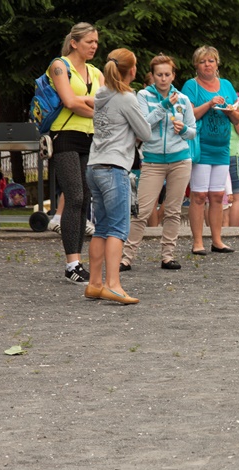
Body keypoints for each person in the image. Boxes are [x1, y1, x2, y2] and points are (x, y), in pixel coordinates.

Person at [83, 48, 151, 304]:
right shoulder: (126, 98)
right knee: (118, 229)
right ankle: (113, 284)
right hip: (114, 168)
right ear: (132, 70)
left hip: (95, 165)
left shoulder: (101, 94)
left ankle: (95, 284)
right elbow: (145, 132)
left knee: (101, 227)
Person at [120, 54, 195, 272]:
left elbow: (193, 131)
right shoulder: (143, 95)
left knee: (173, 210)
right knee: (142, 211)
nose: (163, 79)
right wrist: (163, 106)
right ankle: (126, 258)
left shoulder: (183, 99)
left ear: (173, 75)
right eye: (159, 75)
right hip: (153, 160)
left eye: (167, 74)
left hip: (180, 159)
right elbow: (143, 125)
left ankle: (168, 256)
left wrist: (184, 130)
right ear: (152, 76)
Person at [48, 22, 103, 284]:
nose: (94, 46)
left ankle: (77, 262)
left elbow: (104, 102)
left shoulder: (96, 71)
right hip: (65, 135)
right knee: (75, 196)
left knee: (86, 198)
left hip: (90, 138)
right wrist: (96, 109)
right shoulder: (60, 65)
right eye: (89, 42)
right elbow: (69, 101)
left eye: (96, 42)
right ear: (74, 43)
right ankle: (72, 264)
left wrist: (88, 104)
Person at [181, 46, 239, 254]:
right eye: (203, 61)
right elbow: (188, 115)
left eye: (211, 61)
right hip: (201, 147)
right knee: (199, 195)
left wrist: (230, 112)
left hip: (222, 148)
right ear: (196, 65)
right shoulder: (191, 86)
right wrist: (209, 103)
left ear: (217, 63)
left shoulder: (226, 85)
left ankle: (217, 240)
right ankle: (197, 242)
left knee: (218, 195)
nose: (207, 65)